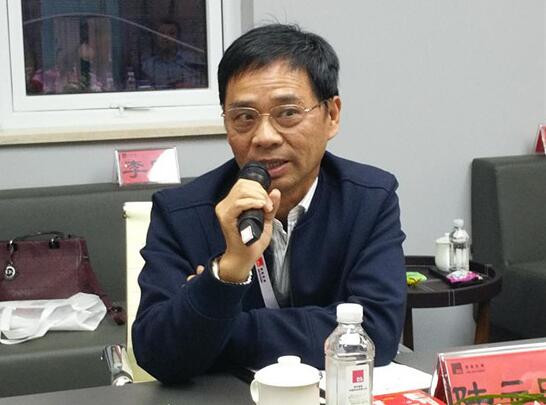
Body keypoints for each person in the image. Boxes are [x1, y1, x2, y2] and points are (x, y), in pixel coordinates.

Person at [132, 23, 406, 383]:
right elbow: (157, 352)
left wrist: (214, 322)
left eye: (288, 113)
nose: (264, 137)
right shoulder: (181, 212)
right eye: (244, 117)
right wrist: (227, 271)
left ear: (332, 115)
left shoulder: (369, 199)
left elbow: (376, 333)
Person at [141, 19, 205, 89]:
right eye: (161, 33)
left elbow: (201, 85)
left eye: (171, 33)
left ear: (178, 37)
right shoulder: (148, 65)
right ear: (155, 37)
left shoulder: (192, 59)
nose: (165, 37)